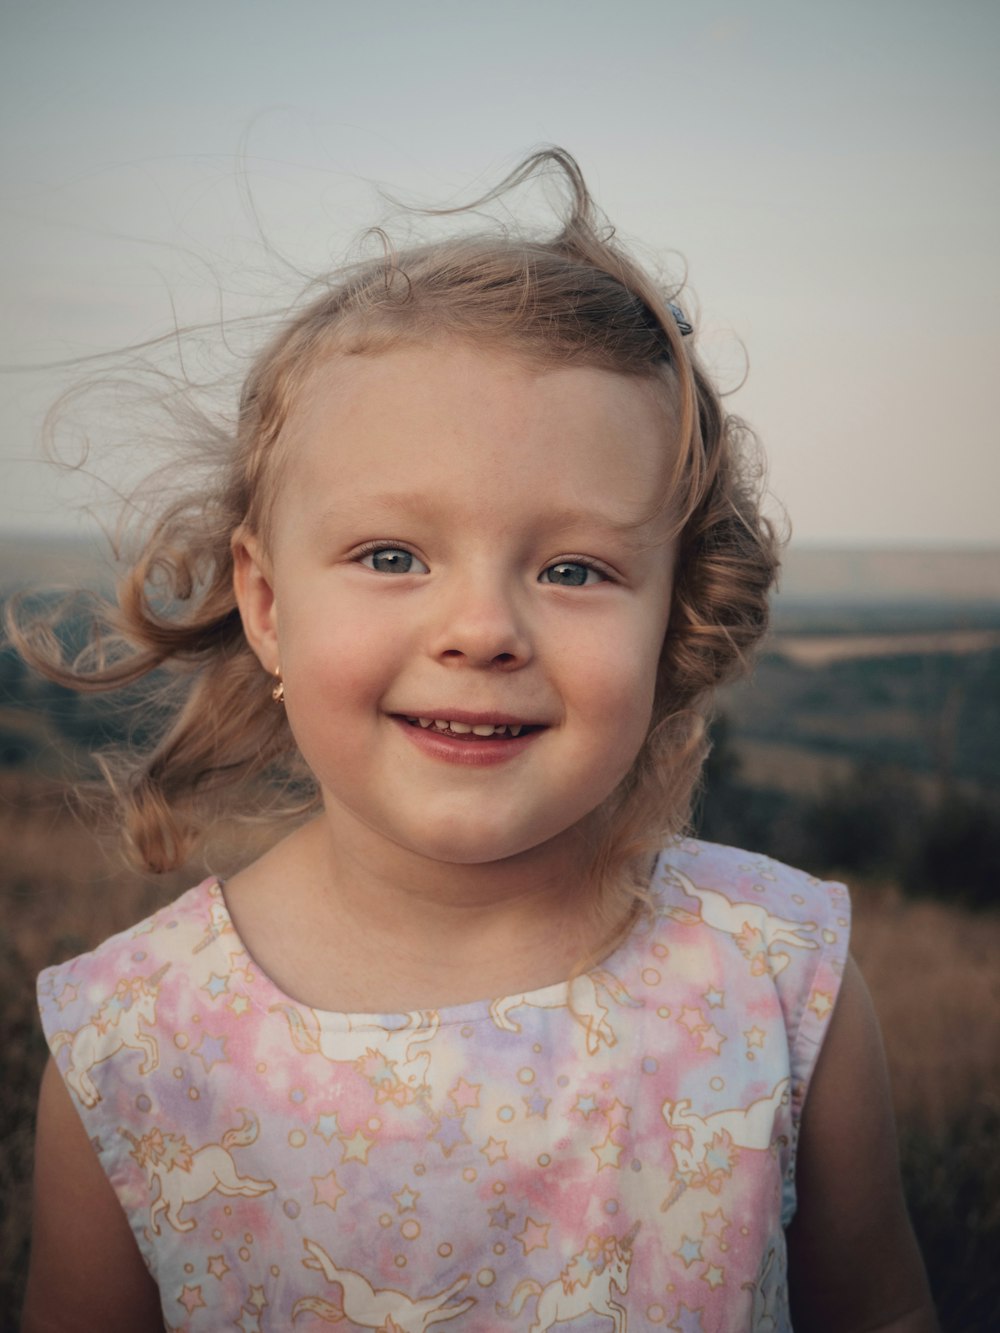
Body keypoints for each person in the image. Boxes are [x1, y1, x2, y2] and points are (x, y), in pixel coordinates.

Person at [19, 149, 936, 1332]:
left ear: (675, 619)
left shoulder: (777, 981)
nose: (482, 630)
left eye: (573, 568)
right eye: (392, 555)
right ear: (264, 602)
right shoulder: (133, 1053)